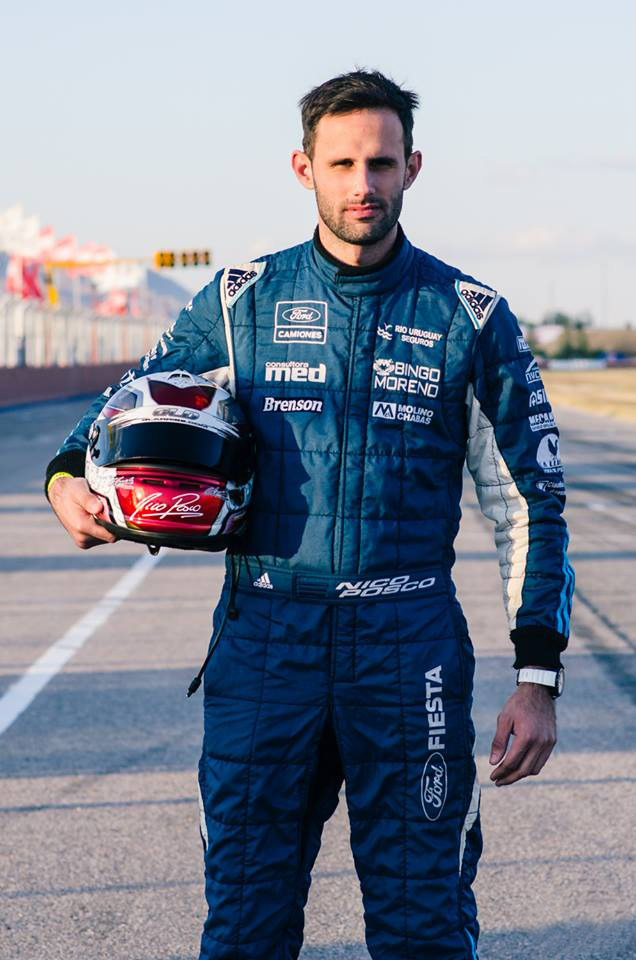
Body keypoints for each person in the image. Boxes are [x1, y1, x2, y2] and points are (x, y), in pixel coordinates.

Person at [45, 70, 573, 960]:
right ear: (304, 169)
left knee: (424, 927)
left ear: (412, 168)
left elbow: (530, 504)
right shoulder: (239, 301)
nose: (363, 183)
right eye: (342, 163)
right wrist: (67, 478)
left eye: (381, 163)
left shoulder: (471, 317)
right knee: (245, 924)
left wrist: (539, 678)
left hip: (409, 647)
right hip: (265, 641)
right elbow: (120, 407)